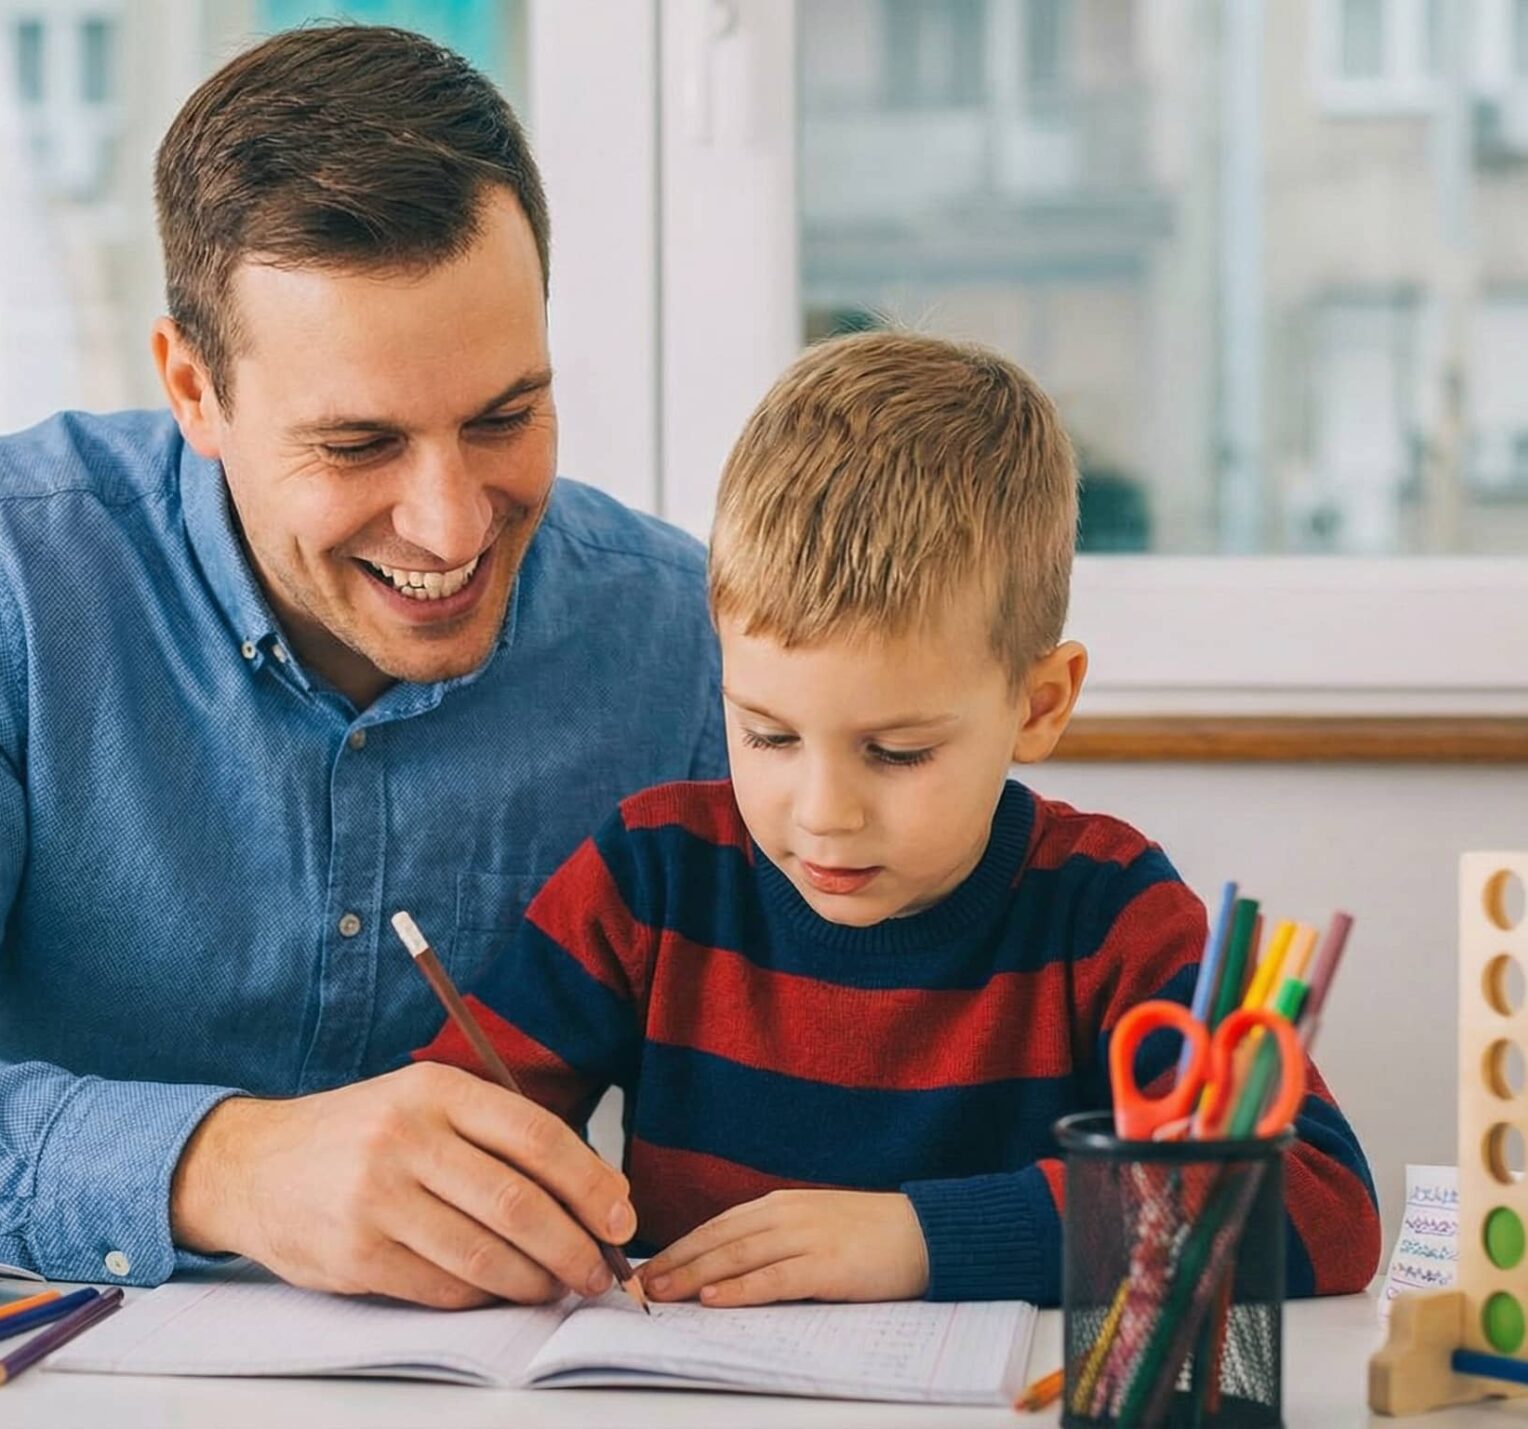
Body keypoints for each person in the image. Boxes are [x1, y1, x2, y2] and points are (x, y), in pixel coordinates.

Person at [0, 25, 721, 1312]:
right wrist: (225, 1165)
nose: (451, 523)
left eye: (503, 417)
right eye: (357, 444)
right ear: (194, 388)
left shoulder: (678, 635)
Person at [416, 332, 1383, 1306]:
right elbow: (436, 1143)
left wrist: (925, 1238)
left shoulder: (1107, 914)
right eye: (768, 734)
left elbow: (1326, 1206)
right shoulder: (651, 878)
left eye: (897, 751)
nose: (823, 814)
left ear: (1039, 704)